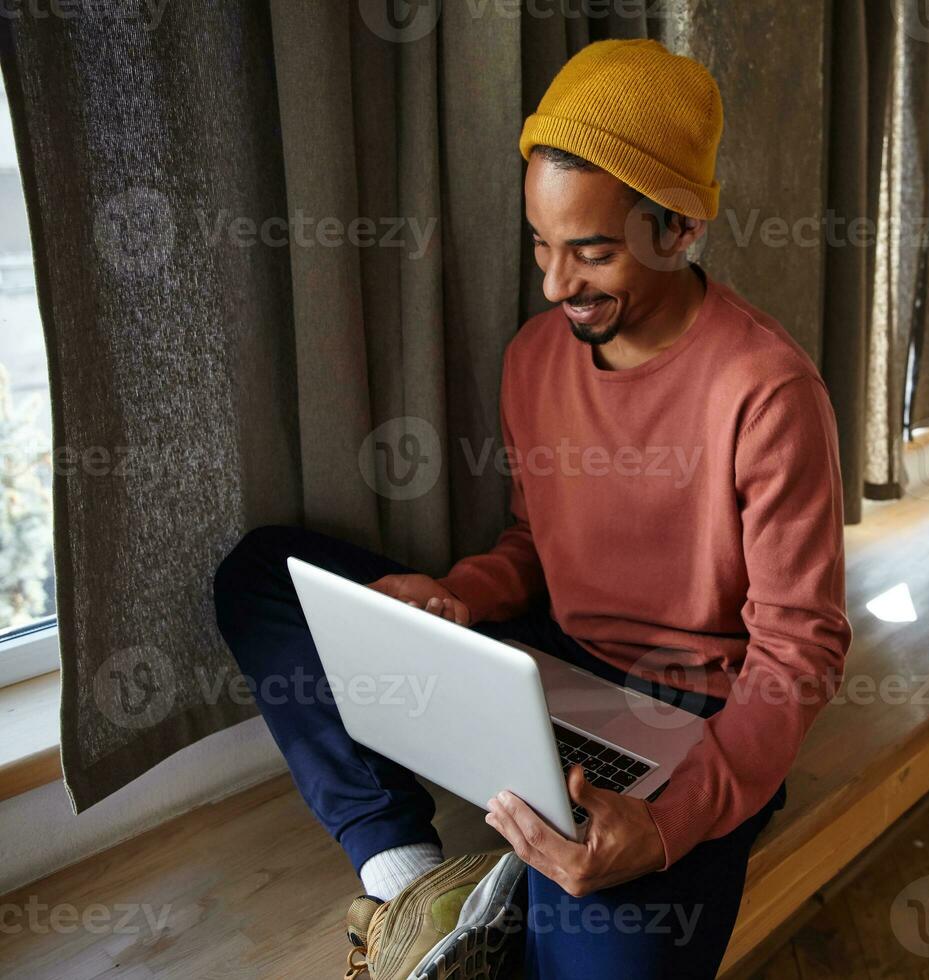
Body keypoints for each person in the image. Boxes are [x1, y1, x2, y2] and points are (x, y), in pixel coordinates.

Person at [213, 37, 851, 980]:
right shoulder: (533, 356)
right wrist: (461, 597)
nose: (556, 287)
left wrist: (670, 823)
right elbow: (534, 540)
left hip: (694, 715)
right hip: (546, 660)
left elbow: (799, 655)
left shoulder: (768, 392)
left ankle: (516, 899)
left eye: (591, 254)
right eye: (542, 247)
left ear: (677, 230)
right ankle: (410, 881)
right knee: (264, 576)